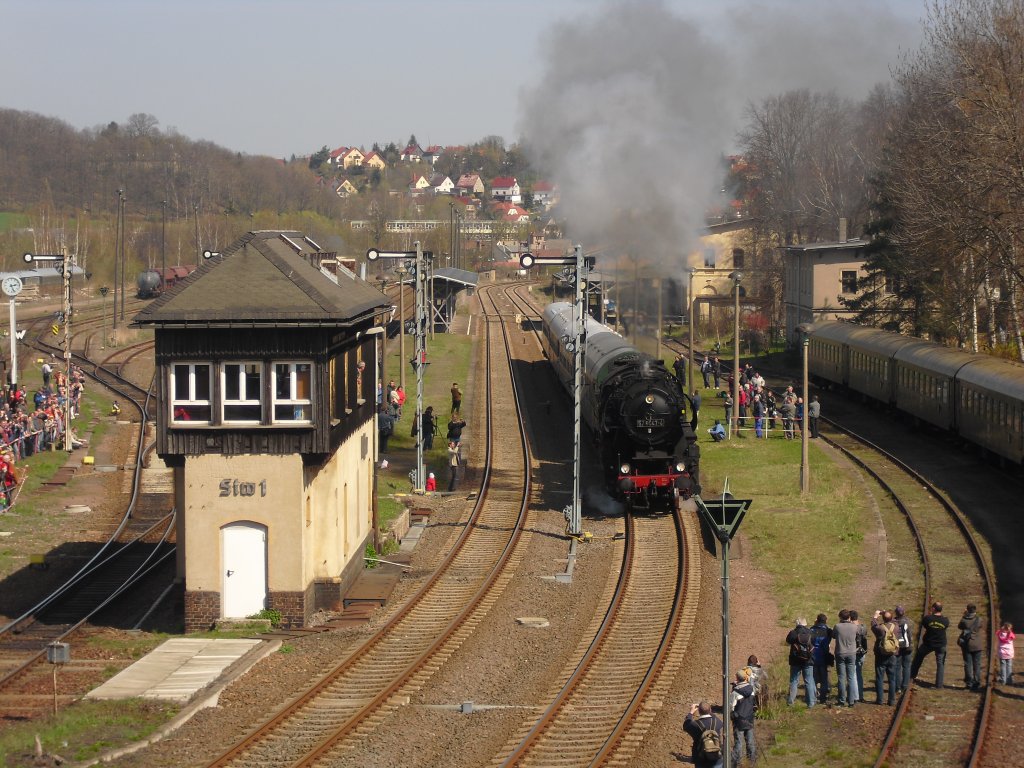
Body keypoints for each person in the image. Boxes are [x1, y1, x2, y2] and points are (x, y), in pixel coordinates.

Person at [911, 601, 950, 688]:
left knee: (918, 657)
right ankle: (939, 685)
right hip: (941, 644)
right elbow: (946, 626)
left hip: (928, 643)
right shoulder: (945, 620)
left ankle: (911, 675)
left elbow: (924, 625)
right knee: (940, 664)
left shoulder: (927, 619)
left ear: (933, 608)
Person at [683, 700, 724, 767]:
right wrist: (708, 710)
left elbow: (686, 725)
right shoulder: (717, 722)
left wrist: (691, 713)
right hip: (716, 758)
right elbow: (720, 722)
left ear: (699, 711)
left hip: (701, 759)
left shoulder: (695, 725)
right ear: (710, 710)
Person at [785, 618, 816, 707]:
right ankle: (811, 703)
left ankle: (791, 702)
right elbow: (814, 643)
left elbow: (788, 641)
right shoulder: (811, 632)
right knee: (809, 681)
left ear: (797, 624)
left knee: (794, 681)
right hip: (808, 660)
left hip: (795, 660)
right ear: (805, 624)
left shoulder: (793, 633)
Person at [832, 609, 859, 707]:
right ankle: (851, 701)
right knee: (851, 677)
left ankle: (842, 700)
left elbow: (834, 636)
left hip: (840, 653)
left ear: (840, 617)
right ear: (849, 617)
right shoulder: (854, 627)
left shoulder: (837, 626)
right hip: (852, 653)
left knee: (841, 677)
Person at [871, 610, 899, 705]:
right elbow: (895, 621)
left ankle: (880, 700)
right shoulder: (896, 627)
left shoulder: (879, 628)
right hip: (892, 655)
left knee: (879, 678)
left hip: (880, 655)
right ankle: (891, 700)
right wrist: (887, 614)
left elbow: (873, 625)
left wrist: (875, 617)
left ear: (883, 618)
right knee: (892, 679)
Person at [730, 670, 757, 765]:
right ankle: (752, 762)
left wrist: (734, 687)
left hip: (739, 721)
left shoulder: (735, 692)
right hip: (749, 719)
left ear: (737, 679)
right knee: (750, 741)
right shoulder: (752, 689)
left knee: (739, 742)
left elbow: (731, 707)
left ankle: (736, 763)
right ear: (746, 678)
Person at [958, 603, 984, 691]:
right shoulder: (979, 619)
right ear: (975, 610)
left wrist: (964, 615)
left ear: (967, 610)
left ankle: (969, 683)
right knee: (977, 664)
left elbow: (959, 627)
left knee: (967, 664)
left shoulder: (964, 620)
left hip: (967, 645)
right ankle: (977, 683)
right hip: (977, 645)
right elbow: (981, 626)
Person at [809, 613, 833, 705]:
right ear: (825, 621)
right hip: (824, 656)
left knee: (813, 678)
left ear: (817, 620)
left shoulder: (811, 630)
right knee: (824, 678)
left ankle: (813, 697)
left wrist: (815, 624)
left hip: (813, 656)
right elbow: (830, 638)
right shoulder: (828, 630)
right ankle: (823, 698)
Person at [893, 605, 915, 693]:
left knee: (897, 667)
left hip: (897, 646)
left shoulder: (893, 623)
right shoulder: (909, 622)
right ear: (904, 612)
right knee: (907, 666)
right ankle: (905, 686)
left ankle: (897, 687)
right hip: (907, 646)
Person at [852, 609, 868, 702]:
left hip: (854, 652)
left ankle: (855, 696)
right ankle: (861, 695)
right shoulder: (863, 627)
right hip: (862, 652)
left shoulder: (851, 628)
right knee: (859, 673)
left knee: (853, 674)